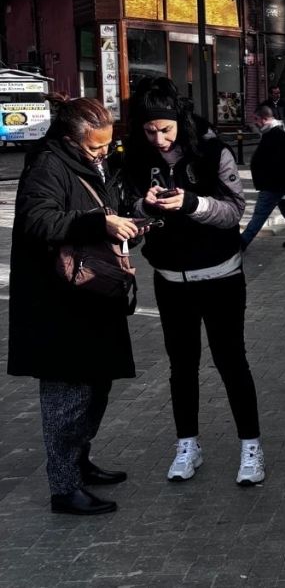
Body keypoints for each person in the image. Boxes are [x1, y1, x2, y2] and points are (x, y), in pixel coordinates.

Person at [124, 76, 266, 486]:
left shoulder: (211, 151)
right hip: (170, 278)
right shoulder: (136, 155)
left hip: (220, 275)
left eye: (165, 129)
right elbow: (128, 208)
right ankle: (188, 444)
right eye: (149, 130)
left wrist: (192, 203)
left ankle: (251, 447)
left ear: (180, 121)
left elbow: (233, 210)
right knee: (181, 366)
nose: (158, 139)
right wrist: (143, 207)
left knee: (231, 361)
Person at [9, 95, 142, 515]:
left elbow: (102, 210)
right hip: (59, 302)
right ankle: (63, 488)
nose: (104, 153)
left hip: (91, 295)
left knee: (96, 385)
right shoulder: (48, 164)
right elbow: (37, 219)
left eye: (107, 145)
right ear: (69, 139)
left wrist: (130, 220)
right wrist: (98, 222)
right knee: (67, 396)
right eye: (95, 147)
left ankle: (79, 462)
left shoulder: (90, 163)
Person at [240, 105, 285, 249]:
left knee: (259, 215)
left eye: (256, 119)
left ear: (265, 119)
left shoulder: (276, 135)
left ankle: (241, 243)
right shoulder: (273, 133)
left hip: (273, 184)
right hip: (278, 184)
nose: (255, 123)